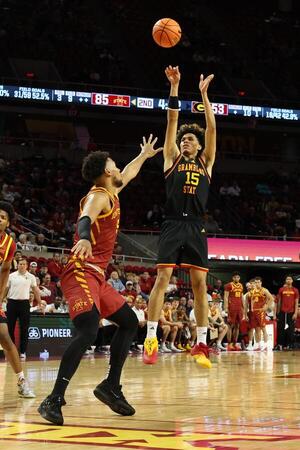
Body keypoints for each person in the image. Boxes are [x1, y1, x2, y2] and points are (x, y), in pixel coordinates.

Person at [38, 134, 161, 426]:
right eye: (115, 165)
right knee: (88, 331)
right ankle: (54, 398)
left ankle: (110, 386)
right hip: (80, 270)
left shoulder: (113, 193)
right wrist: (83, 238)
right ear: (107, 172)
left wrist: (143, 155)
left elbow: (129, 173)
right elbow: (85, 217)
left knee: (130, 321)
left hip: (97, 276)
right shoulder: (98, 195)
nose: (119, 168)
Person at [143, 65, 216, 368]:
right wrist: (175, 87)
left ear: (198, 146)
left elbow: (211, 129)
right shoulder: (171, 159)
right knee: (162, 278)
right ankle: (150, 339)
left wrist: (203, 96)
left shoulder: (206, 163)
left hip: (196, 225)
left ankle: (201, 343)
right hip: (173, 223)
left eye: (190, 139)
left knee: (200, 285)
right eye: (183, 139)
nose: (185, 141)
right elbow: (172, 119)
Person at [0, 201, 35, 398]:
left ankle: (22, 381)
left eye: (3, 217)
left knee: (4, 335)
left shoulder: (9, 245)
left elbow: (5, 270)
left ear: (8, 223)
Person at [6, 258, 42, 359]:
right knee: (10, 328)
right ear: (17, 265)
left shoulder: (31, 277)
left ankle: (22, 352)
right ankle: (11, 351)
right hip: (12, 303)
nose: (21, 266)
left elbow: (35, 290)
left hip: (24, 304)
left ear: (27, 266)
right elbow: (6, 289)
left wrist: (39, 302)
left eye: (23, 264)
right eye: (20, 264)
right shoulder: (11, 276)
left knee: (24, 329)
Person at [245, 277, 274, 351]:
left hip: (260, 312)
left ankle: (266, 344)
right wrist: (245, 314)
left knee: (263, 328)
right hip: (253, 312)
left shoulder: (264, 290)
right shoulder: (250, 293)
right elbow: (246, 305)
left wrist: (266, 307)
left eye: (258, 282)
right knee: (256, 329)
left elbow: (271, 298)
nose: (257, 283)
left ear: (261, 283)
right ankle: (258, 344)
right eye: (256, 282)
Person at [275, 275, 299, 350]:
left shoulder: (295, 290)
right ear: (285, 281)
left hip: (291, 312)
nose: (288, 280)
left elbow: (296, 302)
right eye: (287, 279)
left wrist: (295, 313)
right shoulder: (281, 289)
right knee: (281, 328)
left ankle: (290, 344)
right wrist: (277, 312)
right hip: (282, 311)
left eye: (290, 279)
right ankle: (280, 344)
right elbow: (279, 301)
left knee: (290, 329)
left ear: (292, 281)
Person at [224, 272, 244, 351]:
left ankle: (235, 344)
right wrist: (226, 307)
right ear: (233, 278)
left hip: (239, 308)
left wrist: (244, 307)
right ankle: (229, 344)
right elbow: (226, 297)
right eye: (235, 277)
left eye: (238, 277)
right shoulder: (229, 285)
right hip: (231, 307)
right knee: (230, 325)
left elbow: (242, 296)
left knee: (237, 326)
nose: (237, 279)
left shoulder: (241, 285)